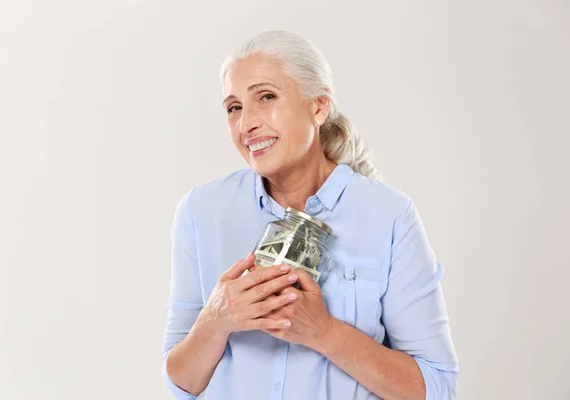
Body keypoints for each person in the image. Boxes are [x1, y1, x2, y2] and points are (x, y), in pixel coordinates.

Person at [162, 30, 458, 400]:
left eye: (266, 97)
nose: (245, 124)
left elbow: (436, 388)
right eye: (234, 107)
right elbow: (181, 382)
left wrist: (323, 331)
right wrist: (216, 320)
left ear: (318, 106)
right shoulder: (201, 212)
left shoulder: (389, 216)